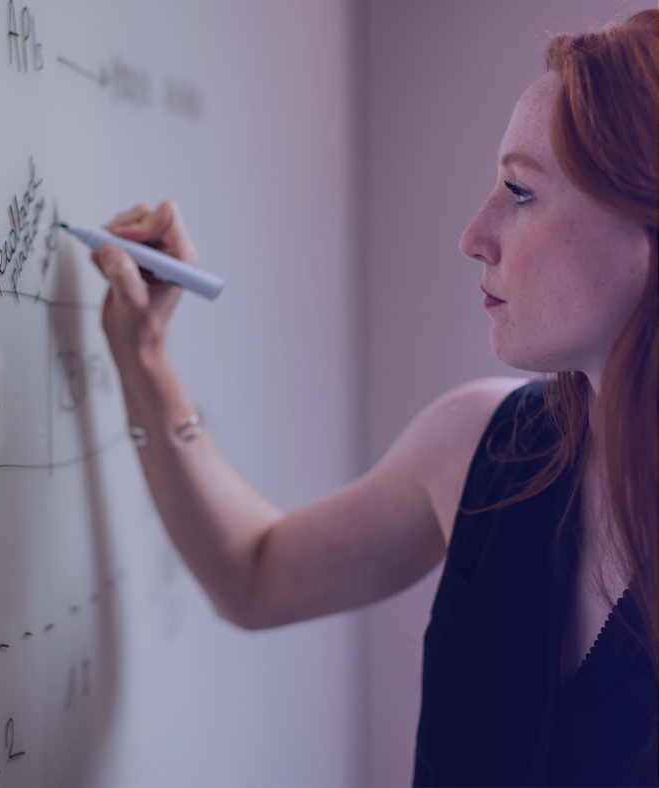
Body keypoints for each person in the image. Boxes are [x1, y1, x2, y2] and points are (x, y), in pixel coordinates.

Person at [90, 10, 657, 786]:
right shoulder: (481, 446)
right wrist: (145, 355)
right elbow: (252, 575)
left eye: (520, 192)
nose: (474, 234)